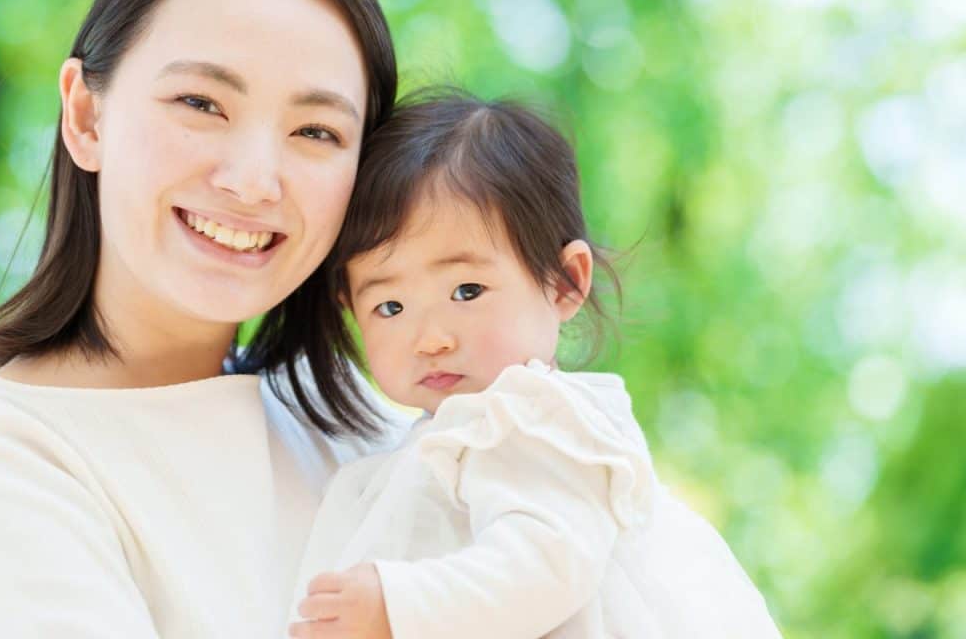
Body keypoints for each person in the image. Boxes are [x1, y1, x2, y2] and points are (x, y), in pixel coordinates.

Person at [0, 0, 410, 638]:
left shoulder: (387, 440)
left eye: (316, 131)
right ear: (87, 119)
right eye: (201, 103)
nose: (254, 180)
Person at [287, 91, 784, 638]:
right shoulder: (429, 444)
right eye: (390, 307)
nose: (429, 338)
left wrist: (400, 606)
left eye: (467, 290)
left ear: (565, 281)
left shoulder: (534, 418)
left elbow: (546, 563)